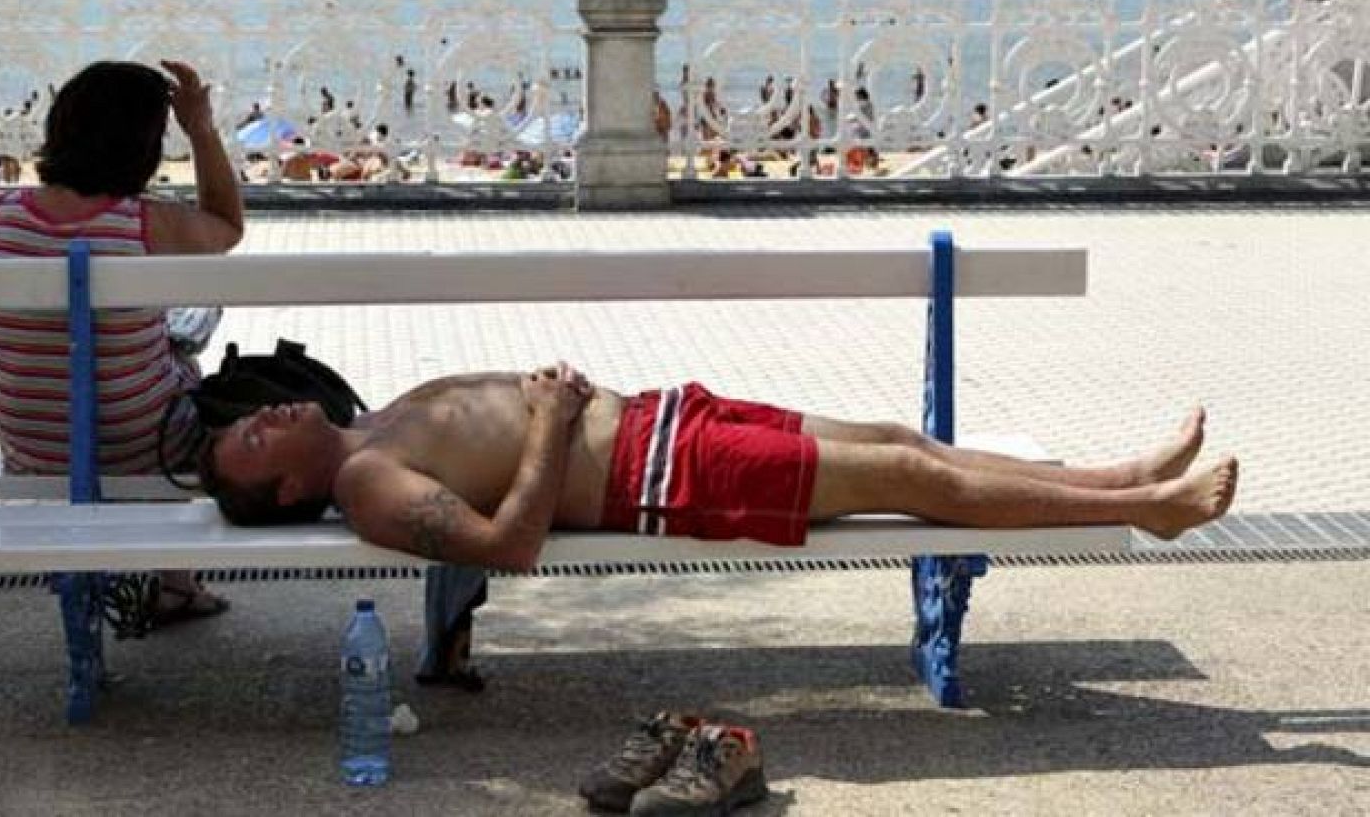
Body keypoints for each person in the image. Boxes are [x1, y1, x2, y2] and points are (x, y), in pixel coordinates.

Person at [197, 362, 1238, 573]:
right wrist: (556, 418)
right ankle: (1151, 509)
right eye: (249, 437)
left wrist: (567, 403)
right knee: (909, 485)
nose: (262, 412)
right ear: (283, 489)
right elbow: (505, 547)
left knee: (896, 439)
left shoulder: (369, 423)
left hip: (664, 419)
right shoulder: (364, 485)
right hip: (664, 477)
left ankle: (1114, 475)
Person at [0, 59, 244, 623]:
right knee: (185, 362)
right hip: (143, 446)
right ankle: (177, 584)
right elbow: (228, 224)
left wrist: (36, 337)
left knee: (154, 356)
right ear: (146, 145)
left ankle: (164, 586)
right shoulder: (150, 224)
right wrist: (201, 127)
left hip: (35, 450)